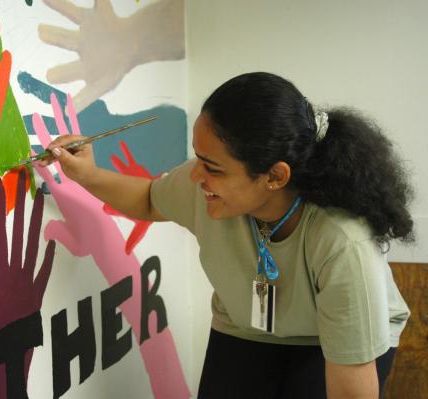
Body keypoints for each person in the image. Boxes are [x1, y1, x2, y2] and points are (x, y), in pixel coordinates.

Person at [40, 72, 413, 399]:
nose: (194, 176)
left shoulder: (342, 242)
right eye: (198, 159)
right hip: (247, 326)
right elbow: (150, 201)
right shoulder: (204, 186)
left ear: (275, 177)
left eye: (212, 167)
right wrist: (86, 174)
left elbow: (351, 390)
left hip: (329, 339)